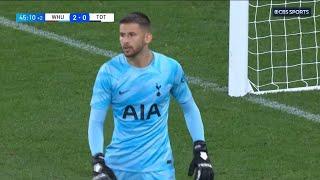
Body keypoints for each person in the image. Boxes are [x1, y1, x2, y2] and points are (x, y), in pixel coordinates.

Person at [88, 12, 214, 180]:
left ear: (147, 37)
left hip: (160, 169)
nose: (125, 40)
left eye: (131, 35)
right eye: (122, 35)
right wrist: (98, 160)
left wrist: (201, 149)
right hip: (118, 168)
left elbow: (189, 107)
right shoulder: (109, 72)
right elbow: (96, 121)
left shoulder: (169, 68)